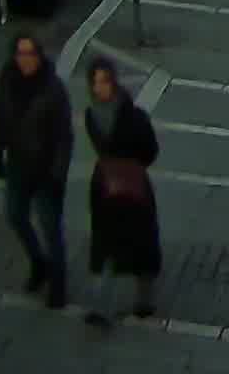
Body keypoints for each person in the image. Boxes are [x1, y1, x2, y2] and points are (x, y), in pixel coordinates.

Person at [0, 33, 73, 309]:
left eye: (31, 54)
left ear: (39, 56)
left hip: (46, 172)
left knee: (50, 228)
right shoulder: (7, 80)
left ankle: (58, 284)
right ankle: (38, 262)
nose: (26, 60)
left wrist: (58, 174)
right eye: (21, 54)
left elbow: (63, 136)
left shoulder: (53, 89)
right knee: (15, 215)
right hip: (18, 166)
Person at [78, 57, 161, 324]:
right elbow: (150, 152)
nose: (100, 87)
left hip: (123, 186)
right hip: (112, 188)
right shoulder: (95, 116)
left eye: (104, 81)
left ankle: (142, 300)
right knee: (110, 244)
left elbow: (149, 150)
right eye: (96, 82)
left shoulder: (126, 117)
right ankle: (103, 306)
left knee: (138, 243)